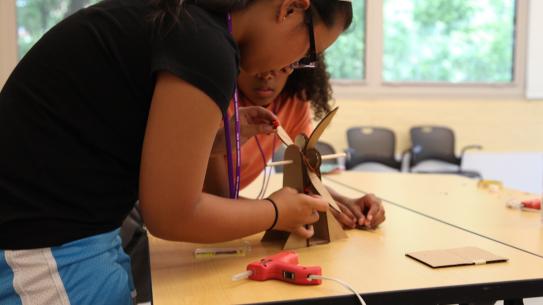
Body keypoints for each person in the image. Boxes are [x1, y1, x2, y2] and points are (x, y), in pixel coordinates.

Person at [0, 0, 353, 304]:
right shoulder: (204, 45)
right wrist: (276, 212)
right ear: (291, 8)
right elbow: (171, 215)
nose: (295, 65)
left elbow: (126, 141)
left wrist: (213, 141)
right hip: (43, 245)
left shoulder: (187, 22)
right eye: (307, 54)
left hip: (77, 232)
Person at [205, 56, 386, 230]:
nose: (267, 74)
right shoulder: (213, 101)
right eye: (257, 61)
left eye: (282, 63)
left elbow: (307, 176)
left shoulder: (293, 102)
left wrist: (341, 200)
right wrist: (278, 211)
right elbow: (219, 199)